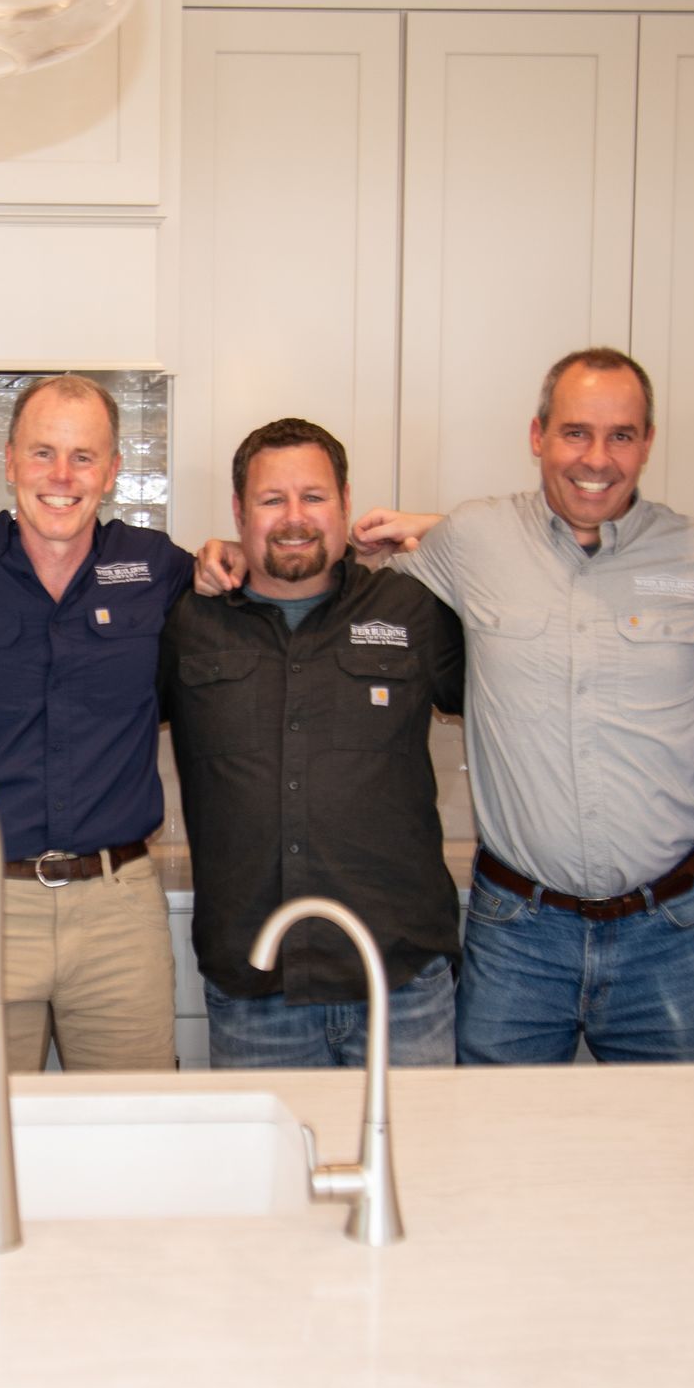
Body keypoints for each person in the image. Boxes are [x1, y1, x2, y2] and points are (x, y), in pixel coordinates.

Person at [206, 349, 694, 1065]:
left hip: (670, 926)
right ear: (537, 436)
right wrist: (228, 555)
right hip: (518, 927)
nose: (597, 457)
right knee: (490, 1152)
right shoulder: (472, 538)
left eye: (622, 435)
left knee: (686, 1152)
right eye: (576, 432)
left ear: (648, 442)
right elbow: (307, 565)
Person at [0, 374, 193, 1074]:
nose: (61, 477)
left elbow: (254, 586)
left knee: (131, 1139)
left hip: (118, 911)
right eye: (42, 454)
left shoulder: (160, 568)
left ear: (113, 471)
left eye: (83, 456)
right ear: (9, 462)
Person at [160, 418, 465, 1067]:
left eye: (314, 497)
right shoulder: (188, 619)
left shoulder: (411, 608)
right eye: (272, 500)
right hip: (255, 989)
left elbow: (523, 589)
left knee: (416, 1170)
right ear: (240, 512)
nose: (294, 517)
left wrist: (441, 532)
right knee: (271, 1172)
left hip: (401, 986)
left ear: (347, 504)